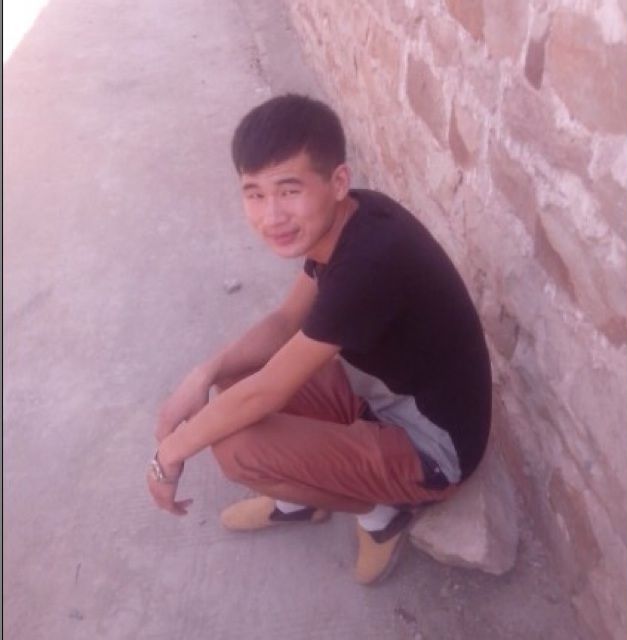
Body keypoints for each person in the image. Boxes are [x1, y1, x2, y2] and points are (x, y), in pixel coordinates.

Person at [147, 94, 492, 585]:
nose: (272, 216)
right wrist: (203, 375)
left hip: (435, 446)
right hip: (385, 396)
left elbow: (268, 393)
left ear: (338, 182)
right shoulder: (349, 217)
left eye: (289, 190)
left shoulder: (369, 263)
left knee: (238, 447)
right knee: (237, 375)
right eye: (255, 194)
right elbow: (287, 319)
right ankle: (300, 502)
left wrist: (169, 454)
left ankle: (384, 515)